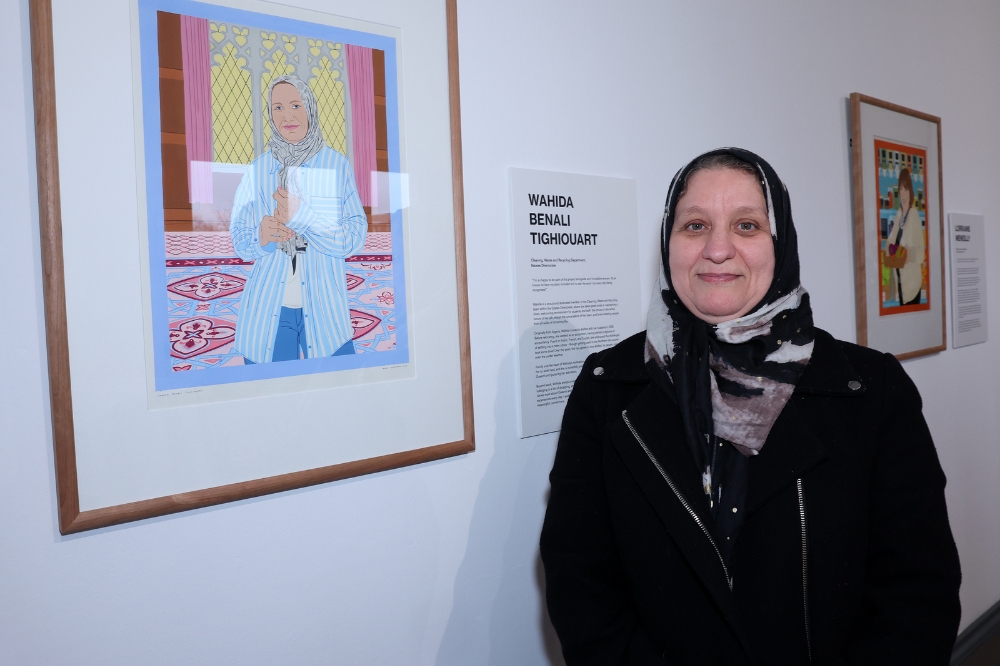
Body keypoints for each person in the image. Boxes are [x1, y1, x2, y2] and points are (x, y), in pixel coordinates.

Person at [539, 148, 961, 664]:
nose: (718, 249)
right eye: (695, 225)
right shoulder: (607, 386)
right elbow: (580, 580)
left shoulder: (869, 389)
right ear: (669, 243)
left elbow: (916, 592)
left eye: (746, 225)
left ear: (780, 243)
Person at [230, 75, 367, 364]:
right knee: (270, 394)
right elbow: (240, 242)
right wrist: (261, 236)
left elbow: (354, 237)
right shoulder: (257, 170)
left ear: (310, 108)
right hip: (269, 306)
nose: (287, 115)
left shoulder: (336, 166)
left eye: (295, 104)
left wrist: (303, 217)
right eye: (277, 108)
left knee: (337, 390)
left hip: (325, 306)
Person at [885, 168, 926, 306]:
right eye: (901, 189)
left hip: (912, 285)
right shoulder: (898, 215)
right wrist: (890, 248)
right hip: (901, 284)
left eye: (906, 189)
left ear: (911, 192)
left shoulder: (914, 216)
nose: (903, 193)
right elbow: (891, 242)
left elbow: (921, 253)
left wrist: (911, 253)